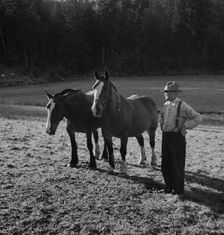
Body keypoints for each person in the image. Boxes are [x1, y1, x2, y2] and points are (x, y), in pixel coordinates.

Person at [159, 81, 202, 196]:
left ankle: (178, 191)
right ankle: (168, 187)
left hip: (177, 138)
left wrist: (185, 127)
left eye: (168, 92)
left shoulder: (183, 105)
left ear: (174, 93)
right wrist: (162, 125)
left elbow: (198, 118)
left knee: (177, 164)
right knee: (165, 164)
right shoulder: (165, 104)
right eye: (165, 92)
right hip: (166, 137)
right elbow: (162, 117)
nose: (166, 94)